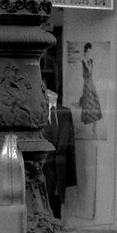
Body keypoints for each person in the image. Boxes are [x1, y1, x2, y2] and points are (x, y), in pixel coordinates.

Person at [43, 89, 77, 218]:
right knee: (44, 205)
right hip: (43, 170)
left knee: (57, 207)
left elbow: (70, 145)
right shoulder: (38, 113)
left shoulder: (65, 112)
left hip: (60, 170)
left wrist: (72, 177)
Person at [77, 42, 103, 137]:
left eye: (90, 52)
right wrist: (85, 60)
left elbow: (91, 72)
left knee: (96, 106)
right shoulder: (83, 61)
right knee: (89, 107)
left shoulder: (90, 61)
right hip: (86, 86)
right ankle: (90, 130)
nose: (89, 54)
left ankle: (94, 129)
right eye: (88, 52)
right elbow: (87, 71)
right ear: (85, 52)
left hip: (91, 85)